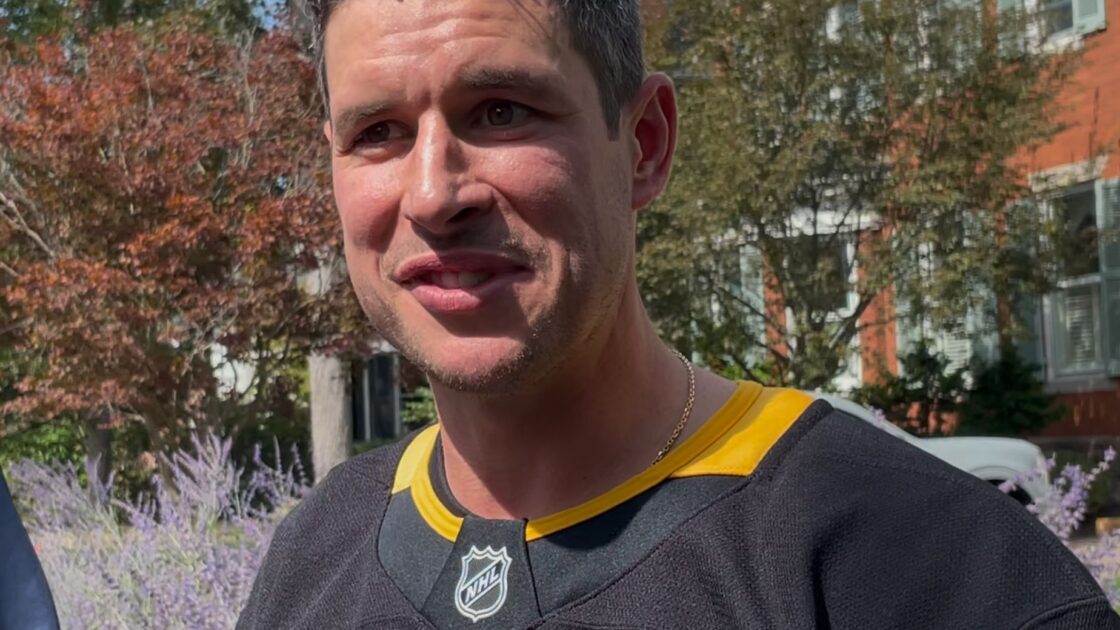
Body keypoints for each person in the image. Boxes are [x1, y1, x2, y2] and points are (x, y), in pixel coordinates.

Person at [238, 1, 1120, 628]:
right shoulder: (315, 558)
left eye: (501, 110)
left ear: (646, 144)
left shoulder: (918, 567)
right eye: (378, 133)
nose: (433, 193)